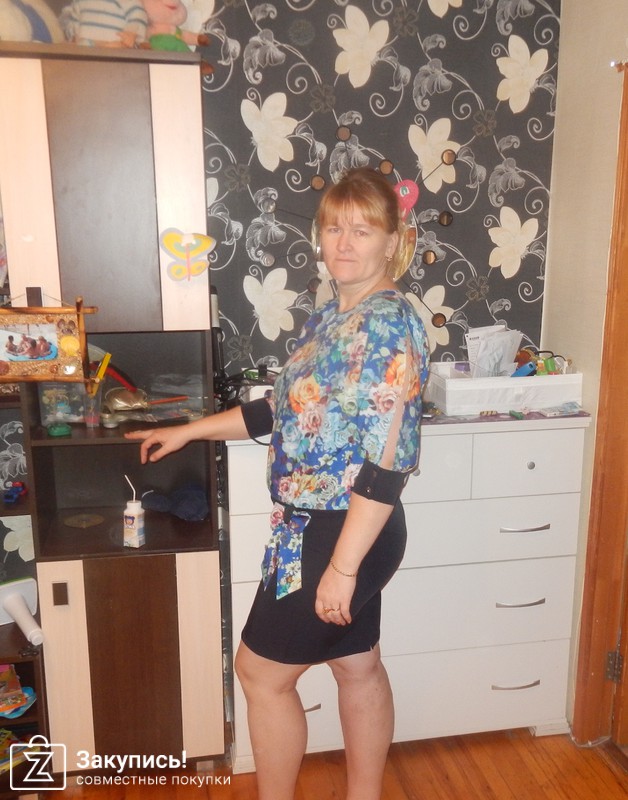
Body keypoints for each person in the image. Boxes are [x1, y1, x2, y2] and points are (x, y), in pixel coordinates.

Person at [126, 167, 430, 800]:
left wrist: (343, 568)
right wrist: (188, 431)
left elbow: (387, 464)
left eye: (362, 230)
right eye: (333, 227)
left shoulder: (386, 325)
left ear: (392, 241)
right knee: (357, 664)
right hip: (316, 524)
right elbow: (278, 410)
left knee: (261, 675)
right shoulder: (331, 316)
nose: (343, 242)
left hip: (344, 528)